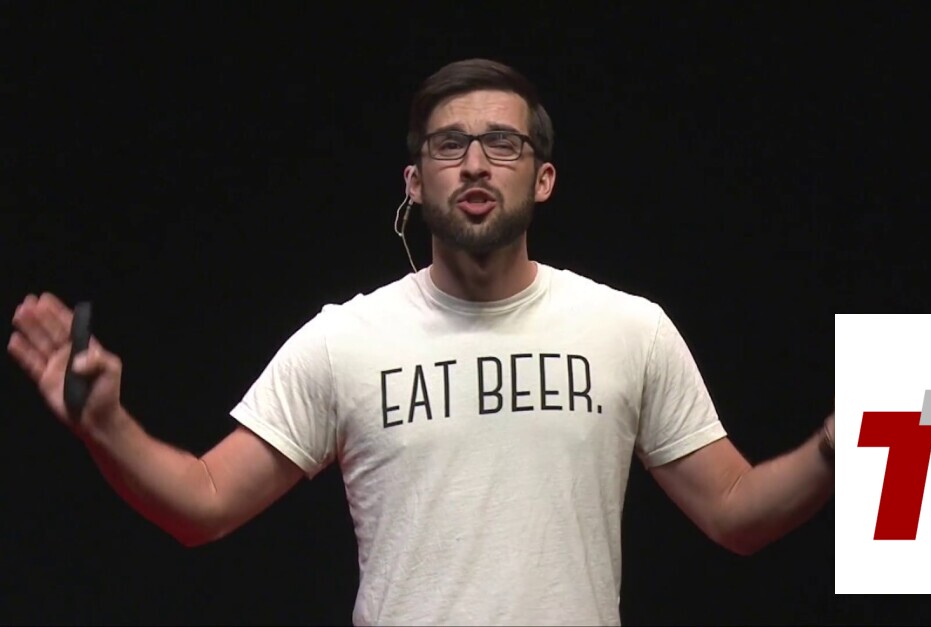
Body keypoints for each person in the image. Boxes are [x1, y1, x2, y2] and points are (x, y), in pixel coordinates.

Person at [8, 58, 835, 626]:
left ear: (542, 177)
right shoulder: (345, 340)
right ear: (415, 180)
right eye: (449, 144)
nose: (475, 163)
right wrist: (105, 424)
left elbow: (735, 511)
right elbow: (205, 504)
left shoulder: (628, 328)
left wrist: (837, 449)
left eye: (503, 143)